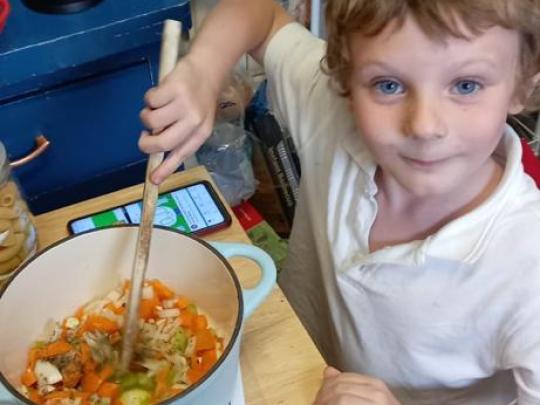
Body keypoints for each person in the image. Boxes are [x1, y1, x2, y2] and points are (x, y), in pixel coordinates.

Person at [138, 1, 540, 403]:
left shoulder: (526, 270)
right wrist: (203, 71)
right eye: (389, 85)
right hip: (283, 368)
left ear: (522, 85)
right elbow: (259, 12)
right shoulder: (333, 112)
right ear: (346, 81)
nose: (424, 126)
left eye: (466, 85)